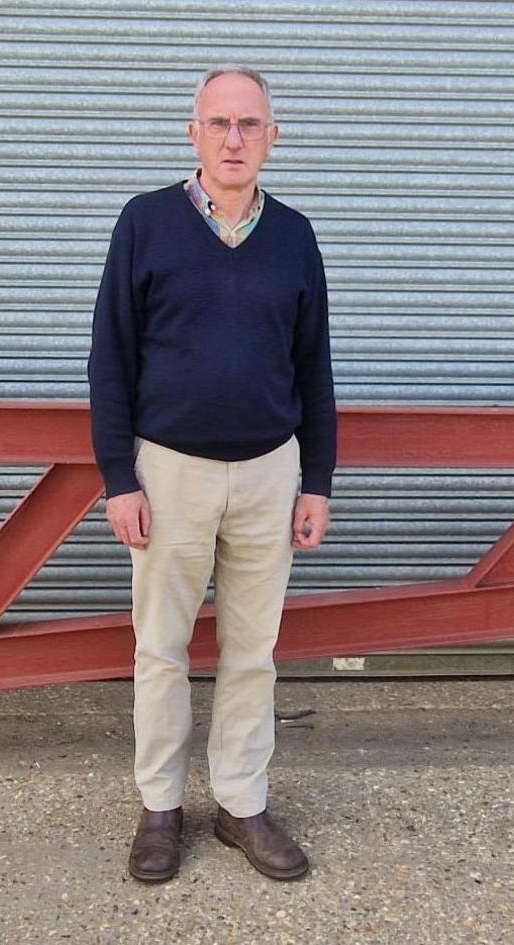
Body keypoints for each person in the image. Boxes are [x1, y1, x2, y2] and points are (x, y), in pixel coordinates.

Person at [86, 65, 337, 883]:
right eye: (219, 123)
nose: (235, 139)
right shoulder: (145, 223)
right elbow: (109, 358)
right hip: (170, 473)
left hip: (270, 472)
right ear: (192, 132)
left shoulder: (295, 236)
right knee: (159, 647)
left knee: (252, 651)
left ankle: (240, 803)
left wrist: (317, 479)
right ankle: (160, 806)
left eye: (251, 124)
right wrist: (119, 476)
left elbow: (315, 368)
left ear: (273, 137)